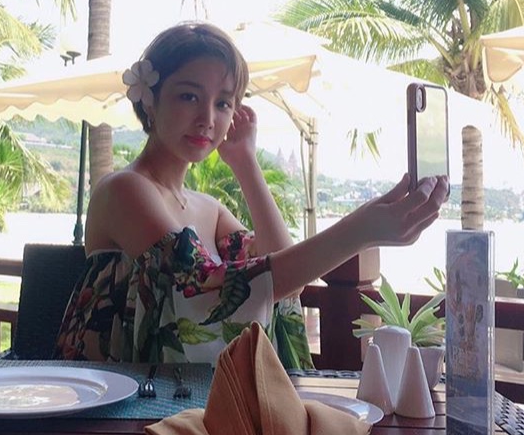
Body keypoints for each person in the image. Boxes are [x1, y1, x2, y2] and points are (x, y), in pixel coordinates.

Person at [55, 21, 449, 365]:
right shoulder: (125, 189)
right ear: (150, 101)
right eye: (189, 96)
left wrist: (245, 163)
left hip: (179, 400)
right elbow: (201, 286)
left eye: (223, 103)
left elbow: (284, 280)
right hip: (109, 404)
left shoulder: (207, 208)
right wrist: (361, 231)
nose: (207, 118)